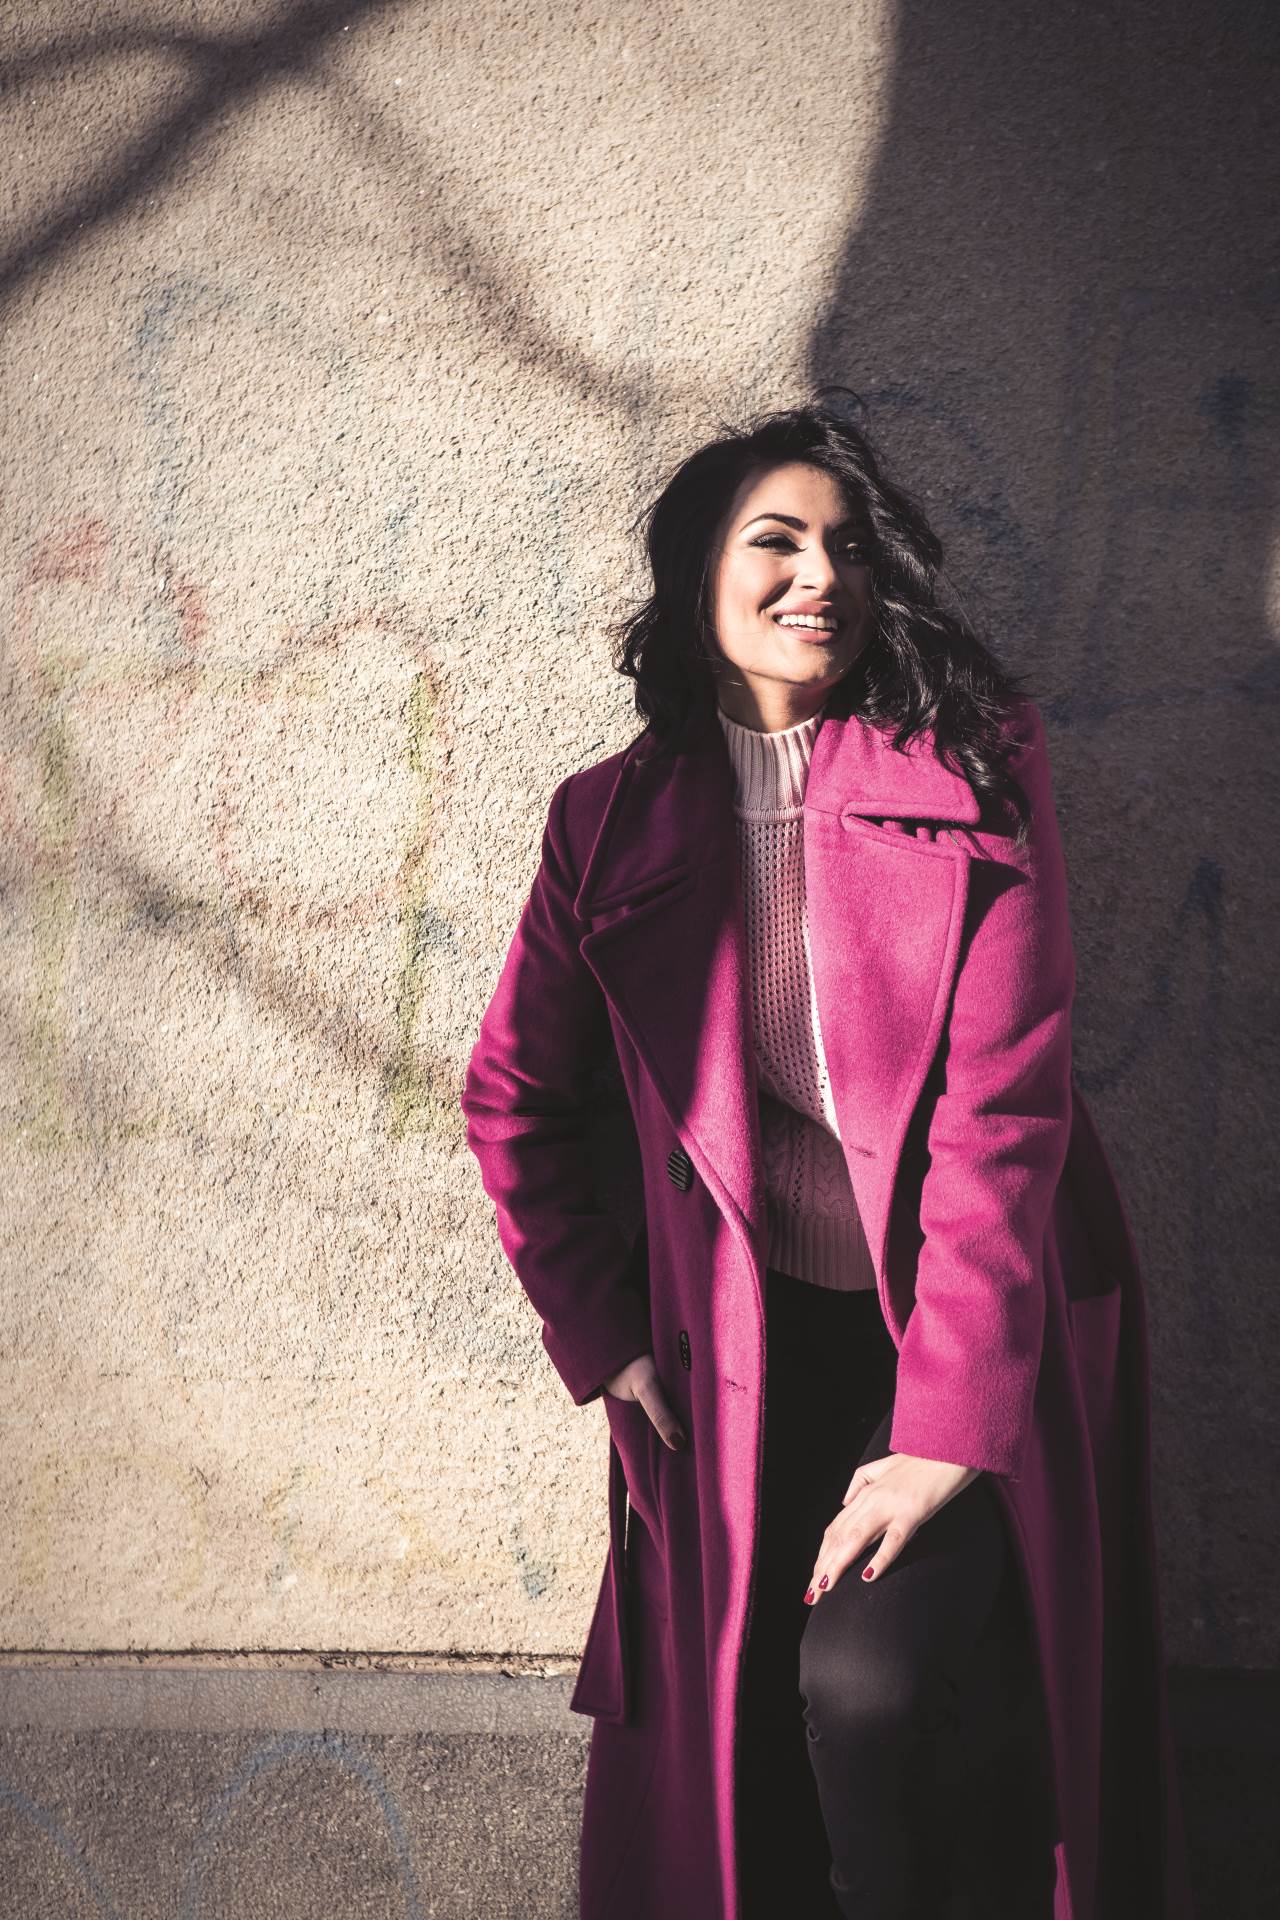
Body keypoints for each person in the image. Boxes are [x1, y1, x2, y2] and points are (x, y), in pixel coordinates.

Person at [461, 393, 1193, 1920]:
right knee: (745, 1743)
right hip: (733, 1359)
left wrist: (945, 1430)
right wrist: (602, 1335)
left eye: (850, 548)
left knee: (872, 1685)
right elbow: (513, 1096)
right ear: (698, 577)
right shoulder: (606, 822)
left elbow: (1004, 1119)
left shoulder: (973, 766)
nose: (821, 578)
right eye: (777, 541)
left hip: (951, 1330)